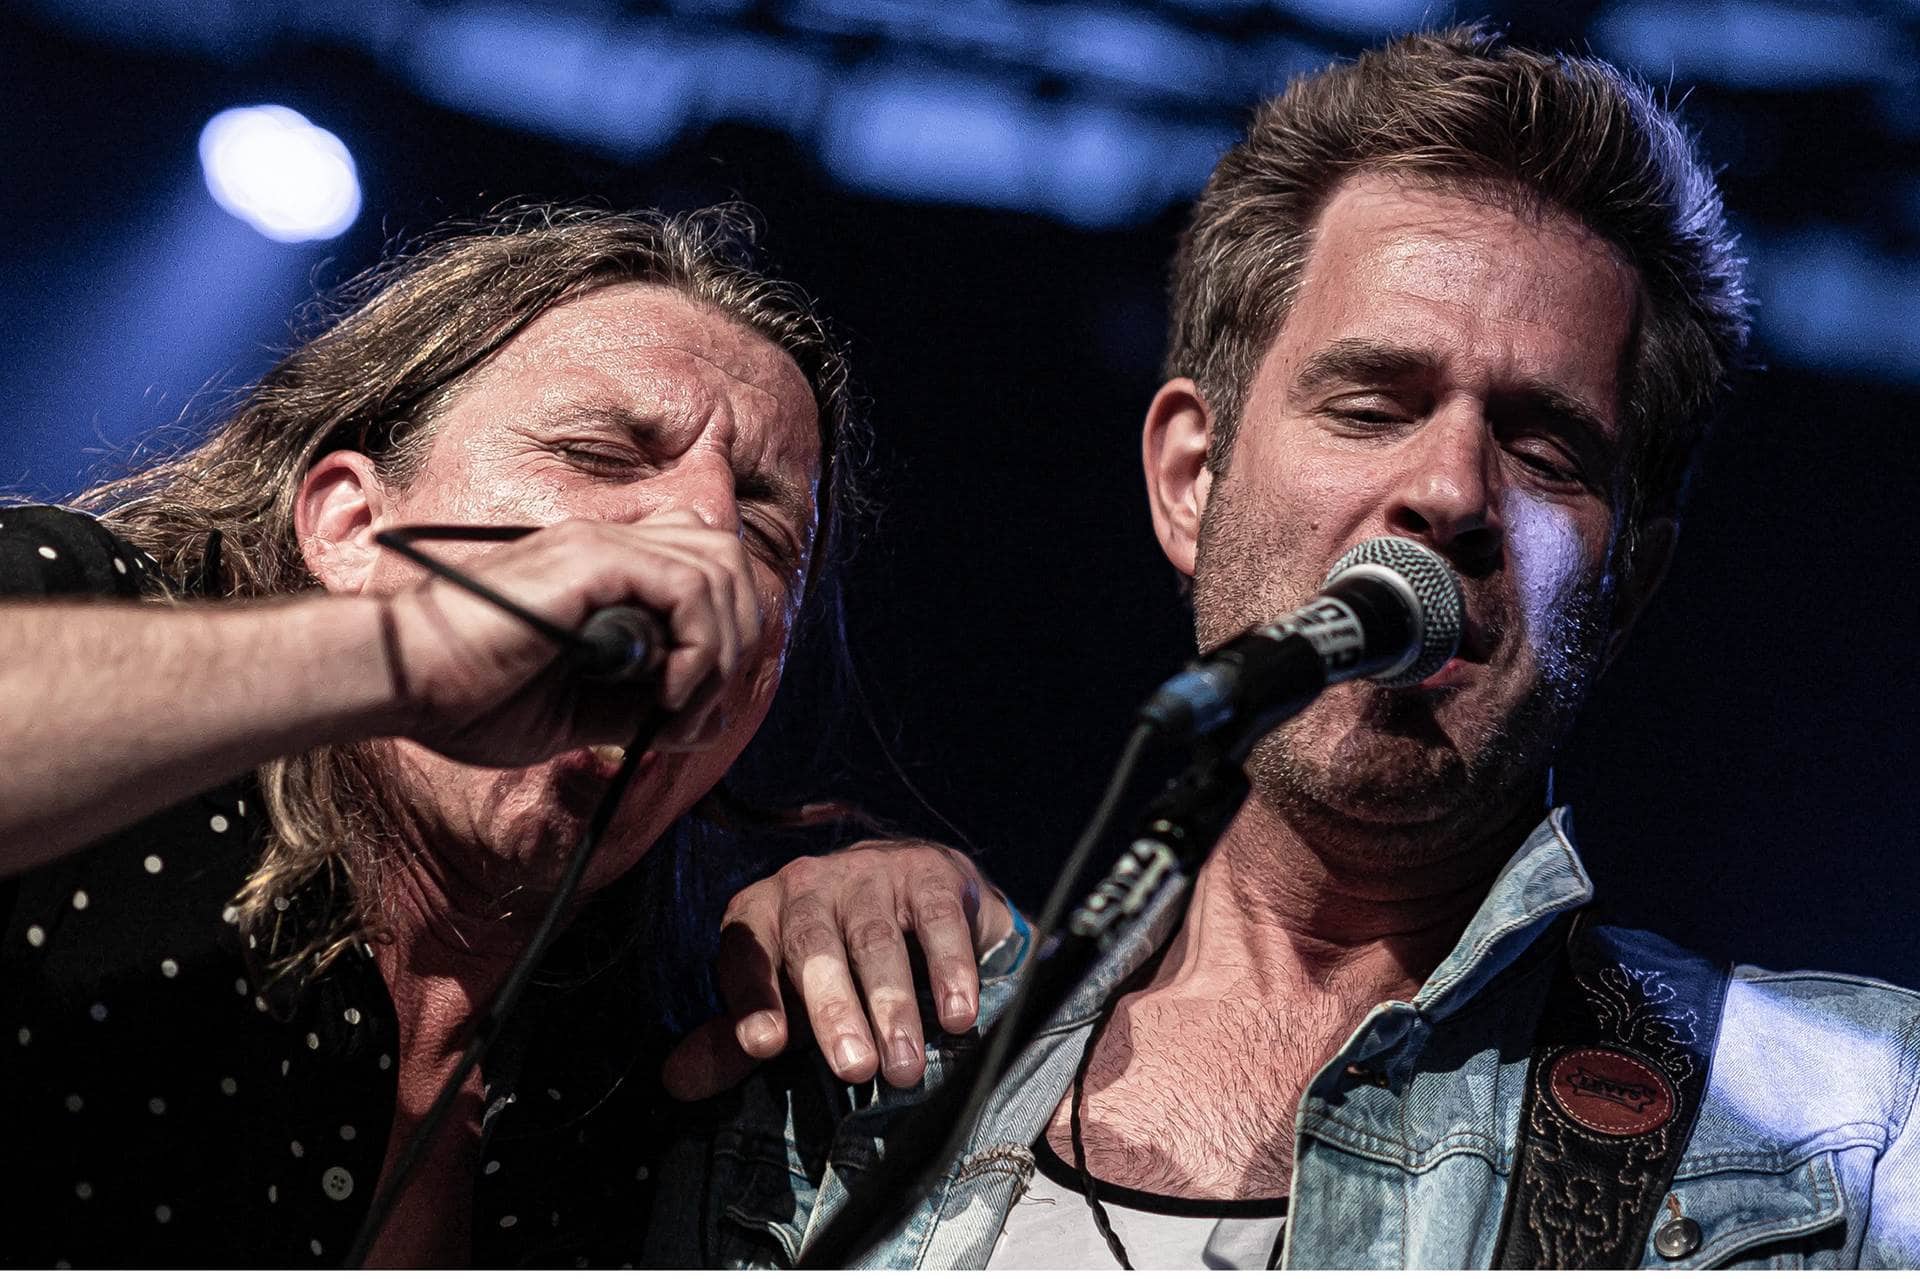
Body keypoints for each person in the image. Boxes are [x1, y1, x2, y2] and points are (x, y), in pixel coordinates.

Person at [647, 25, 1920, 1269]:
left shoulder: (1855, 1126)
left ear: (1627, 582)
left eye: (1544, 449)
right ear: (1190, 481)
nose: (1452, 491)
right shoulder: (862, 1068)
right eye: (1371, 406)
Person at [0, 204, 1015, 1267]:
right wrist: (408, 652)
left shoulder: (657, 1087)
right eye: (599, 455)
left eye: (763, 529)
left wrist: (949, 955)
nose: (704, 536)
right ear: (352, 526)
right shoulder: (76, 608)